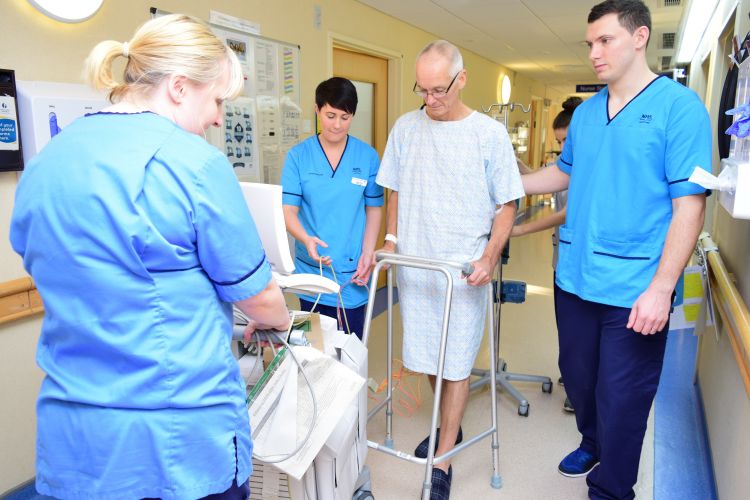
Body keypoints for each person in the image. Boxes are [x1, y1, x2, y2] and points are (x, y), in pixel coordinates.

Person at [9, 14, 291, 500]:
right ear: (180, 87)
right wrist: (279, 324)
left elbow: (50, 265)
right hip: (176, 440)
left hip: (79, 440)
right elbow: (261, 297)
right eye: (217, 99)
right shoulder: (195, 164)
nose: (220, 118)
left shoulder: (47, 162)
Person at [521, 1, 711, 498]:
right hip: (576, 280)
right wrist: (507, 181)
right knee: (579, 382)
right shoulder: (585, 114)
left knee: (623, 398)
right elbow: (563, 173)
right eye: (590, 44)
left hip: (636, 289)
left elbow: (689, 207)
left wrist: (662, 288)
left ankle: (610, 489)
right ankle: (592, 440)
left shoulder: (679, 108)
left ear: (640, 36)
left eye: (605, 40)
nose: (594, 53)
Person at [376, 40, 523, 498]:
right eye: (422, 89)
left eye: (439, 89)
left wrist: (490, 255)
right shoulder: (405, 128)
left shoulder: (488, 135)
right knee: (424, 355)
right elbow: (394, 189)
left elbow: (508, 202)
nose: (430, 99)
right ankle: (448, 427)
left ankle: (443, 461)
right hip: (416, 267)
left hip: (463, 272)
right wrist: (391, 241)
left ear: (461, 80)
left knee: (456, 361)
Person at [281, 77, 383, 339]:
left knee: (351, 351)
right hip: (310, 273)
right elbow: (288, 212)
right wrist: (305, 238)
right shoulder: (298, 156)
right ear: (317, 110)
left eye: (345, 117)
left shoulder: (367, 156)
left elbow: (374, 208)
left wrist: (369, 252)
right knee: (312, 352)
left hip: (353, 273)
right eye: (330, 115)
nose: (337, 125)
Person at [512, 96, 583, 414]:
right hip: (562, 257)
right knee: (566, 324)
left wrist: (520, 230)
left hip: (583, 258)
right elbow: (539, 178)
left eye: (567, 140)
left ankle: (580, 387)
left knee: (578, 327)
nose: (563, 146)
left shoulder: (590, 167)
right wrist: (511, 159)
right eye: (560, 142)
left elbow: (568, 213)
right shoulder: (565, 163)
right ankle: (572, 377)